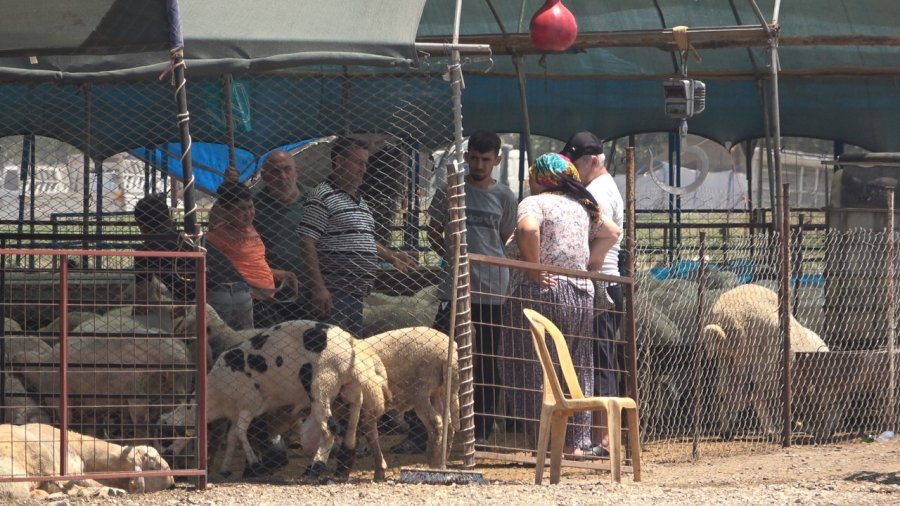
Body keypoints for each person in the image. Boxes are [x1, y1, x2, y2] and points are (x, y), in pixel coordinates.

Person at [392, 130, 517, 454]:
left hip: (491, 289)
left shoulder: (504, 196)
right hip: (454, 288)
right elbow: (434, 231)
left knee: (487, 359)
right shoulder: (450, 190)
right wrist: (453, 259)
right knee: (437, 357)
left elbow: (502, 238)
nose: (479, 164)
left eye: (485, 160)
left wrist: (480, 260)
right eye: (474, 158)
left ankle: (483, 431)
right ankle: (425, 431)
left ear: (496, 161)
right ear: (466, 157)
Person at [499, 152, 620, 459]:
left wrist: (533, 265)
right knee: (577, 368)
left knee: (526, 366)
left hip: (538, 293)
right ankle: (574, 444)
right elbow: (612, 232)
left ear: (541, 179)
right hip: (581, 294)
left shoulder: (534, 202)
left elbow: (528, 229)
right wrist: (589, 264)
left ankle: (546, 442)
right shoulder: (582, 206)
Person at [298, 137, 417, 338]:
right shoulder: (322, 196)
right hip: (334, 293)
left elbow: (365, 239)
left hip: (355, 295)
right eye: (358, 162)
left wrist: (392, 256)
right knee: (334, 352)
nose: (363, 169)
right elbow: (307, 240)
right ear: (339, 161)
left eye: (365, 163)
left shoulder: (359, 201)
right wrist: (319, 288)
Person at [561, 131, 626, 455]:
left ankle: (604, 440)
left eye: (577, 165)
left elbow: (606, 237)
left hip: (602, 284)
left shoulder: (596, 192)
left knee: (600, 361)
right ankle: (604, 437)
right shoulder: (607, 186)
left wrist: (588, 268)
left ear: (594, 161)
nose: (573, 172)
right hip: (608, 283)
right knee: (602, 359)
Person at [205, 181, 298, 330]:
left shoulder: (250, 228)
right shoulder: (216, 236)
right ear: (225, 211)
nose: (248, 213)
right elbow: (226, 272)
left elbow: (253, 263)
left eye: (250, 207)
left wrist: (282, 274)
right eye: (241, 209)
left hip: (267, 300)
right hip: (247, 301)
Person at [251, 150, 312, 327]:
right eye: (275, 172)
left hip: (312, 289)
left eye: (287, 170)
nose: (283, 177)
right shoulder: (253, 206)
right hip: (271, 295)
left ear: (296, 171)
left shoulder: (316, 200)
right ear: (264, 176)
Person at [132, 194, 195, 330]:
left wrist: (132, 318)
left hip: (203, 303)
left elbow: (142, 297)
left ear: (141, 226)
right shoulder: (188, 239)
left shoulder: (146, 249)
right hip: (241, 292)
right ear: (169, 218)